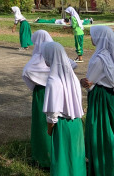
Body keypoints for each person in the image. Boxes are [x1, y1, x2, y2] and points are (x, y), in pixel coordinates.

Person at [41, 41, 86, 176]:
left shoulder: (53, 81)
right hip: (76, 123)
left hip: (62, 125)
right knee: (76, 158)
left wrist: (49, 129)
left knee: (63, 160)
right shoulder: (71, 77)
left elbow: (53, 113)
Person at [80, 26, 114, 176]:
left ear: (99, 37)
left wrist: (84, 82)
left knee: (100, 132)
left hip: (100, 98)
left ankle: (103, 168)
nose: (91, 38)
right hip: (110, 96)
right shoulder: (110, 55)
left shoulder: (99, 58)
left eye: (93, 35)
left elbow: (89, 82)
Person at [22, 30, 54, 168]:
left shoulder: (37, 59)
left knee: (42, 124)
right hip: (57, 91)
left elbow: (26, 72)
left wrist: (36, 84)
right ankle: (54, 155)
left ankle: (42, 157)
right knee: (55, 123)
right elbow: (71, 64)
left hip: (42, 93)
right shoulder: (56, 54)